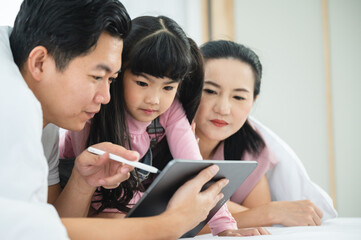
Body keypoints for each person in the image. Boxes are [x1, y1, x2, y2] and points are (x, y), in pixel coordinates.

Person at [0, 0, 234, 238]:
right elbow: (23, 232)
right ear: (39, 62)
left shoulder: (45, 120)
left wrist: (82, 181)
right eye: (97, 76)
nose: (106, 97)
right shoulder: (11, 107)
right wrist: (170, 224)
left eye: (111, 80)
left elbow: (52, 223)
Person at [59, 15, 268, 237]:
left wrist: (225, 228)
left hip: (129, 207)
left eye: (168, 88)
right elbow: (92, 198)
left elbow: (199, 171)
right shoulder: (94, 112)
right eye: (142, 83)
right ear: (119, 74)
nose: (154, 100)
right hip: (85, 201)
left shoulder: (171, 111)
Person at [194, 40, 324, 229]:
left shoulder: (250, 148)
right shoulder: (157, 138)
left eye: (238, 97)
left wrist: (265, 214)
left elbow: (261, 224)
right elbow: (172, 219)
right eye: (210, 91)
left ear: (253, 101)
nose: (223, 108)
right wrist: (271, 212)